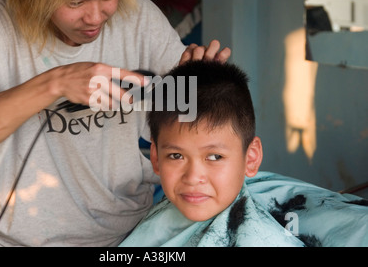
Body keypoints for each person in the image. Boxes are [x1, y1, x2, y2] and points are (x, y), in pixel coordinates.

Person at [0, 0, 230, 247]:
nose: (95, 17)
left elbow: (184, 125)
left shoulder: (138, 17)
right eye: (75, 0)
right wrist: (54, 84)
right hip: (26, 240)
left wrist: (195, 89)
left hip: (130, 235)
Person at [119, 60, 305, 247]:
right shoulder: (157, 223)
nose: (192, 177)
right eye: (176, 156)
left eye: (215, 157)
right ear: (156, 157)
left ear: (251, 158)